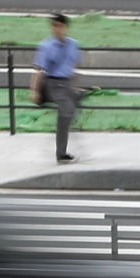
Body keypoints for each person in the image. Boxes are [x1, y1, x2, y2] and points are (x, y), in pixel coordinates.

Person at [30, 12, 82, 164]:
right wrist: (34, 90)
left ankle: (61, 150)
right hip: (53, 83)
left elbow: (74, 67)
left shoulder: (73, 45)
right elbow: (39, 70)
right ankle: (61, 152)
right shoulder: (46, 46)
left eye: (59, 26)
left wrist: (77, 87)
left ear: (66, 27)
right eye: (54, 26)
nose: (56, 29)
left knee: (69, 112)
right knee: (67, 110)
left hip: (67, 83)